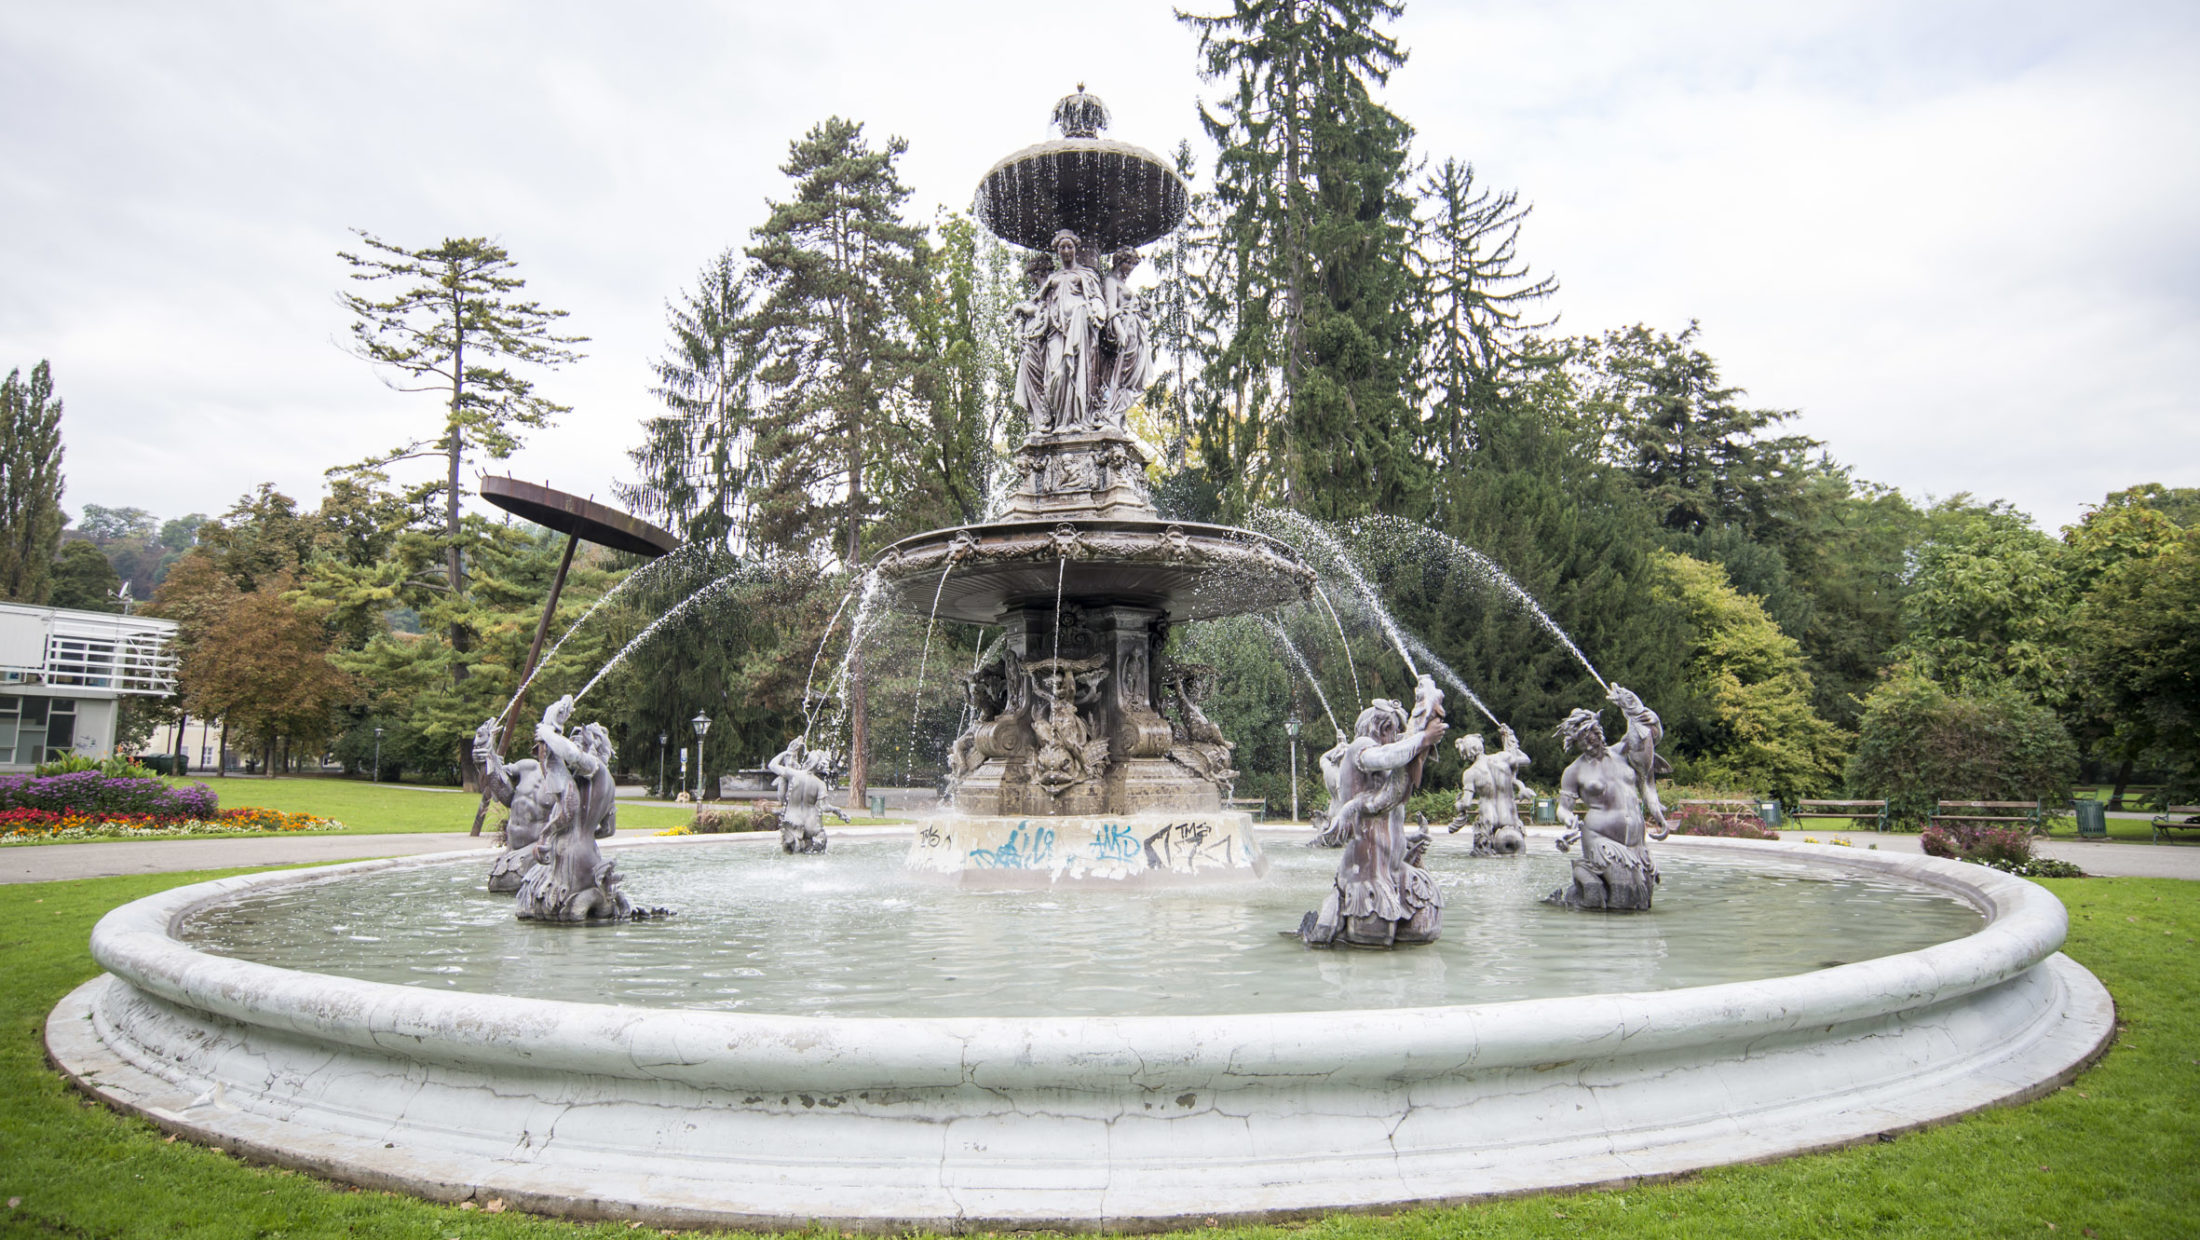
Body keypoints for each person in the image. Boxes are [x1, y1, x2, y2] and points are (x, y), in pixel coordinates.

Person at [1298, 675, 1448, 947]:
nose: (1394, 737)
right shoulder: (1360, 749)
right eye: (1391, 730)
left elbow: (1396, 787)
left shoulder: (1388, 764)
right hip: (1366, 873)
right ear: (1379, 727)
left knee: (1425, 928)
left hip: (1394, 868)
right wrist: (1422, 738)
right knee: (1373, 939)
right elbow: (1387, 758)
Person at [1547, 698, 1662, 911]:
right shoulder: (1574, 770)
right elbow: (1563, 807)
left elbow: (1646, 735)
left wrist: (1651, 718)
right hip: (1601, 840)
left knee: (1642, 899)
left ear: (1597, 730)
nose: (1587, 744)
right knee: (1623, 889)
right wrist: (1568, 819)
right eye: (1580, 742)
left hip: (1636, 843)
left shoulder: (1621, 753)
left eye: (1589, 736)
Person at [768, 736, 846, 854]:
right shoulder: (820, 784)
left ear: (808, 761)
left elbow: (772, 765)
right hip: (812, 823)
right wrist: (837, 811)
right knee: (815, 854)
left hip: (792, 819)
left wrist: (786, 753)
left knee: (790, 854)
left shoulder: (793, 774)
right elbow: (824, 807)